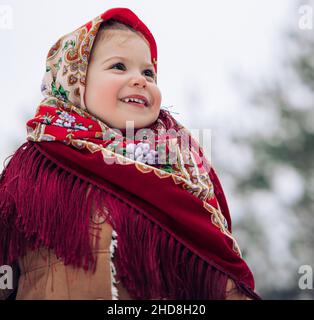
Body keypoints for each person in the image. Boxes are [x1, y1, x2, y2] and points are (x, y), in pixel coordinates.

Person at [0, 7, 261, 300]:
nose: (141, 80)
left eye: (148, 71)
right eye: (119, 67)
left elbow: (216, 272)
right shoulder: (35, 168)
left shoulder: (178, 169)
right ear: (75, 81)